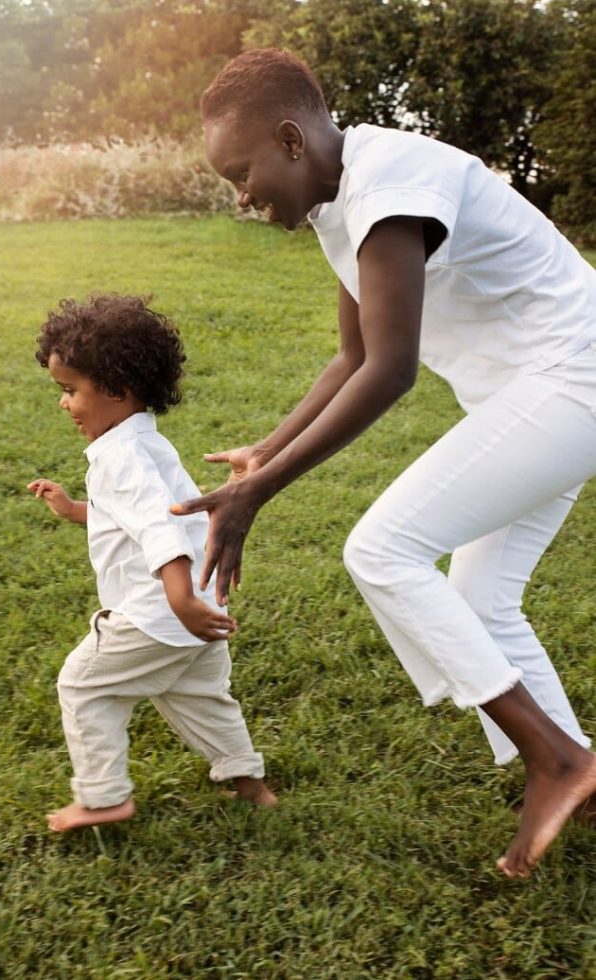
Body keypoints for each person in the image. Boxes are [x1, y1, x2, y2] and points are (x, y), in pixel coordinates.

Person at [170, 48, 596, 877]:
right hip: (535, 402)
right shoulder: (343, 201)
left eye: (241, 172)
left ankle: (560, 761)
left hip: (573, 384)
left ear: (291, 139)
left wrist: (258, 491)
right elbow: (351, 354)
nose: (240, 197)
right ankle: (580, 770)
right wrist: (269, 447)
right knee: (480, 596)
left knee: (381, 549)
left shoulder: (393, 184)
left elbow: (391, 371)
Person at [28, 293, 276, 832]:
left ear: (117, 389)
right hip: (197, 610)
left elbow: (160, 531)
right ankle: (248, 781)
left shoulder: (119, 458)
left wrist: (179, 599)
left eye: (71, 391)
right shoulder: (145, 445)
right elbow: (143, 516)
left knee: (83, 686)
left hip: (162, 611)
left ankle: (102, 797)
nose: (64, 404)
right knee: (199, 696)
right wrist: (73, 509)